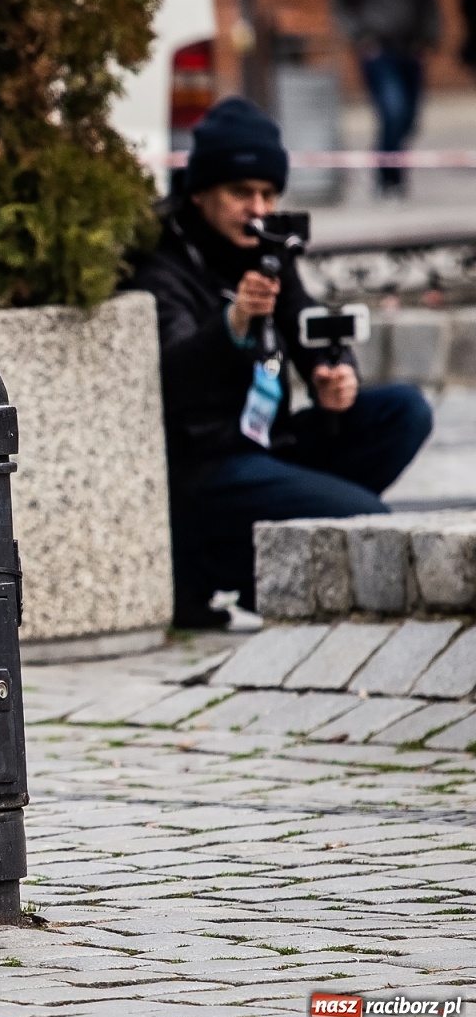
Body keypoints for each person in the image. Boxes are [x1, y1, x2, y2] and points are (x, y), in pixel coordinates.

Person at [125, 98, 433, 629]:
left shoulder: (267, 251)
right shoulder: (163, 261)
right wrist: (234, 322)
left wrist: (334, 376)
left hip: (269, 441)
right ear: (200, 193)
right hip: (207, 464)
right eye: (240, 193)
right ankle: (224, 565)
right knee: (364, 519)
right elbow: (173, 375)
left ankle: (252, 567)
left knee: (404, 412)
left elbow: (308, 323)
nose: (258, 208)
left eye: (268, 193)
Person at [332, 0, 443, 195]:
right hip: (379, 50)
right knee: (394, 111)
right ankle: (389, 178)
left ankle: (387, 161)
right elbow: (342, 4)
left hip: (411, 48)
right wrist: (361, 38)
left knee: (409, 119)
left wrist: (429, 37)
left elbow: (427, 1)